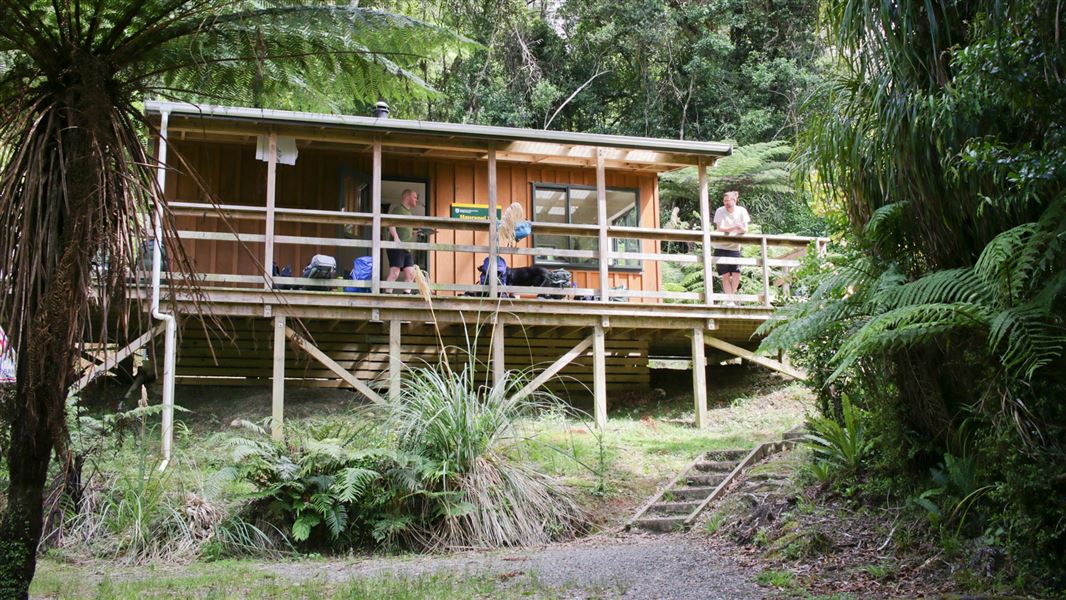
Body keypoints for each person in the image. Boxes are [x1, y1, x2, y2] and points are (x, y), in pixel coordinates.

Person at [712, 190, 750, 305]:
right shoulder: (720, 211)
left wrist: (741, 229)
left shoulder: (741, 211)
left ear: (734, 200)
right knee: (725, 275)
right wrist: (734, 227)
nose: (726, 203)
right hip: (721, 246)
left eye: (728, 201)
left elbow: (746, 229)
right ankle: (730, 300)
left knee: (736, 273)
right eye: (724, 201)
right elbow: (720, 228)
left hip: (735, 247)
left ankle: (731, 297)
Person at [386, 189, 420, 286]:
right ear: (407, 197)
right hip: (397, 246)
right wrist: (396, 237)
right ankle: (387, 294)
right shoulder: (398, 209)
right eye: (415, 197)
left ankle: (407, 293)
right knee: (395, 272)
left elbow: (405, 231)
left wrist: (415, 233)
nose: (417, 200)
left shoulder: (409, 214)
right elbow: (390, 224)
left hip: (406, 248)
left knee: (410, 274)